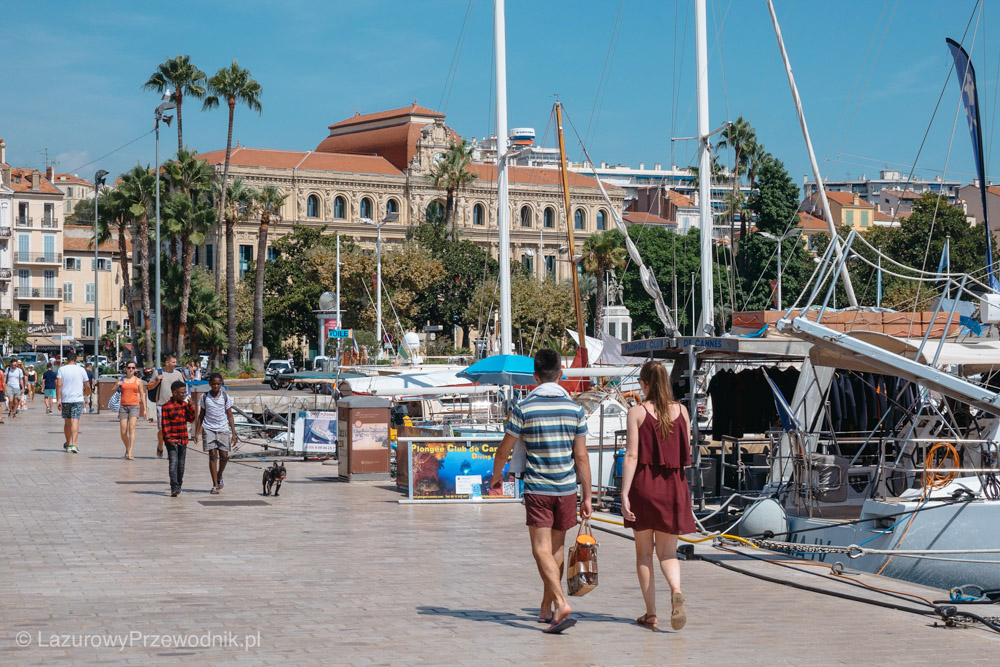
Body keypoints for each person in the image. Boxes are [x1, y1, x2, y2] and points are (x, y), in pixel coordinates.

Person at [489, 348, 591, 635]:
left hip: (538, 488)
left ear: (535, 376)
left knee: (540, 549)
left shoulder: (524, 408)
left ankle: (559, 602)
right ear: (560, 374)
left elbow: (504, 449)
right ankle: (546, 609)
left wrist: (498, 476)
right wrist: (588, 496)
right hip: (567, 488)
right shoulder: (576, 409)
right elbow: (581, 457)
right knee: (555, 550)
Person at [621, 361, 696, 632]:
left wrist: (625, 493)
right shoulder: (683, 411)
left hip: (645, 485)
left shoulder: (637, 412)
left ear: (643, 384)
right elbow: (685, 451)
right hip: (674, 488)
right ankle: (676, 589)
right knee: (668, 553)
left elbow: (631, 456)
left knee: (644, 553)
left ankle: (651, 614)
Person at [193, 373, 237, 494]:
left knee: (224, 456)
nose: (216, 386)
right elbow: (201, 415)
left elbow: (230, 415)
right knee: (212, 456)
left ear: (221, 384)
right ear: (209, 384)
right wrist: (197, 433)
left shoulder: (225, 397)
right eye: (213, 384)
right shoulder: (205, 397)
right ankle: (214, 485)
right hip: (208, 429)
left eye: (218, 384)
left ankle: (219, 474)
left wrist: (234, 433)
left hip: (223, 429)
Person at [146, 354, 187, 458]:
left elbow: (183, 389)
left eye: (175, 362)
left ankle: (171, 450)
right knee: (162, 430)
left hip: (175, 405)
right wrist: (157, 381)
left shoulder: (178, 374)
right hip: (162, 405)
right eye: (173, 362)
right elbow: (149, 387)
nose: (175, 364)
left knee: (173, 429)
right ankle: (160, 445)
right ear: (167, 362)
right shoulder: (158, 373)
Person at [160, 380, 195, 497]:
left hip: (183, 439)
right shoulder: (166, 407)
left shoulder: (185, 406)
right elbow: (165, 425)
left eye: (185, 392)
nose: (184, 395)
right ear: (174, 393)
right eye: (182, 393)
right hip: (172, 440)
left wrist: (191, 405)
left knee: (181, 465)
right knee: (173, 463)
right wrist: (169, 439)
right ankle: (174, 486)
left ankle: (179, 485)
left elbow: (191, 419)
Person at [56, 349, 90, 453]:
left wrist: (58, 399)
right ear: (76, 360)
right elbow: (87, 385)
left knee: (67, 422)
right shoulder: (81, 370)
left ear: (67, 360)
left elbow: (59, 385)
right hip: (77, 399)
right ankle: (74, 444)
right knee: (75, 420)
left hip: (66, 399)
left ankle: (68, 443)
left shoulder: (62, 370)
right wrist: (86, 395)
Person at [117, 361, 146, 460]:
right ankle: (127, 447)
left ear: (135, 369)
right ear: (125, 368)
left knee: (131, 429)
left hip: (134, 406)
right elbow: (113, 390)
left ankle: (130, 453)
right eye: (129, 367)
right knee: (123, 432)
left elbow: (142, 395)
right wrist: (117, 384)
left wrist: (145, 409)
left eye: (133, 368)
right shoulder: (121, 379)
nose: (131, 369)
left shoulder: (138, 381)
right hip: (123, 407)